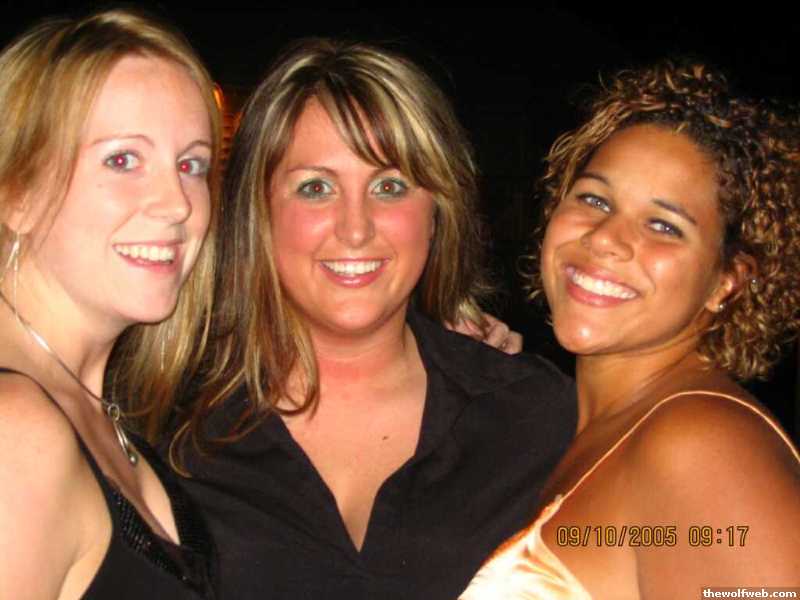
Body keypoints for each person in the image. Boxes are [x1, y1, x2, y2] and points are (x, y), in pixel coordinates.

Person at [141, 39, 576, 600]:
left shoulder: (536, 416)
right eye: (315, 187)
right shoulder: (165, 423)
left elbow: (650, 548)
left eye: (389, 186)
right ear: (258, 211)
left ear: (437, 212)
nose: (355, 228)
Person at [460, 62, 800, 598]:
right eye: (594, 199)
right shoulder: (594, 429)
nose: (605, 239)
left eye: (664, 225)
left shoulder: (700, 447)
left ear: (727, 281)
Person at [0, 10, 222, 599]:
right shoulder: (14, 434)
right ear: (17, 191)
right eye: (122, 159)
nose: (177, 203)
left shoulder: (93, 408)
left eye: (191, 164)